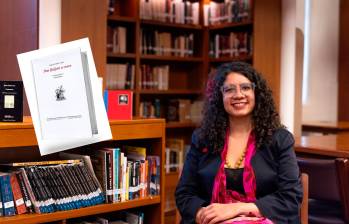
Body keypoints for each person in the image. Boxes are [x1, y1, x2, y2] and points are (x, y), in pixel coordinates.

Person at [175, 62, 303, 224]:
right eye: (229, 89)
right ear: (219, 97)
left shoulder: (280, 139)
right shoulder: (202, 139)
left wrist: (236, 209)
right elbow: (184, 193)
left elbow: (290, 198)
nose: (238, 95)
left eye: (245, 87)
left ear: (257, 93)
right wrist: (206, 215)